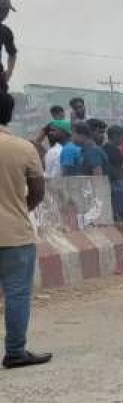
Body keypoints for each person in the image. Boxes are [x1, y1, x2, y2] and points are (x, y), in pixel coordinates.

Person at [0, 91, 50, 368]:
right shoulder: (23, 148)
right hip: (15, 234)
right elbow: (38, 192)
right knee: (17, 293)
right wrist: (18, 211)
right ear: (10, 114)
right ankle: (16, 351)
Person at [103, 125, 123, 222]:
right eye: (122, 137)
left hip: (113, 183)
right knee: (119, 213)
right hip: (117, 184)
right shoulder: (113, 150)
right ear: (115, 136)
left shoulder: (104, 148)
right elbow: (119, 168)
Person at [0, 0, 15, 92]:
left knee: (7, 102)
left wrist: (9, 72)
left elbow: (12, 54)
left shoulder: (5, 31)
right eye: (5, 10)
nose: (6, 14)